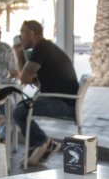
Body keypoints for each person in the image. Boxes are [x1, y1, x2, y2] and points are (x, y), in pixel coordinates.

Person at [12, 20, 79, 165]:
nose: (20, 36)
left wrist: (18, 54)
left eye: (22, 32)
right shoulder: (45, 47)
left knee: (18, 112)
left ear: (31, 34)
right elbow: (29, 79)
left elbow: (24, 78)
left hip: (63, 103)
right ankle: (42, 145)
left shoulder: (41, 48)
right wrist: (20, 52)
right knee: (20, 110)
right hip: (65, 100)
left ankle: (42, 143)